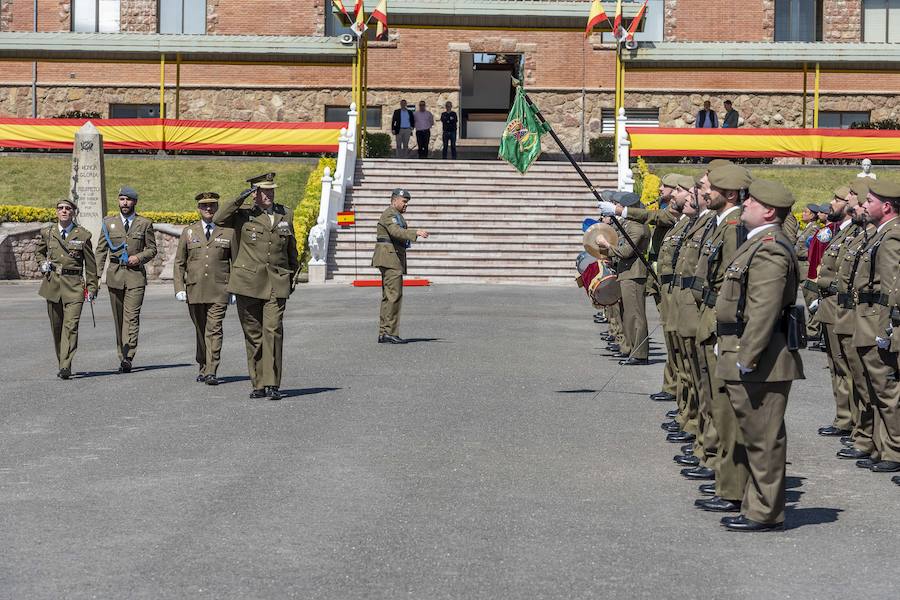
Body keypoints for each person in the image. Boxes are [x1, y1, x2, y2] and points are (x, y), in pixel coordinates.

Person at [714, 178, 805, 531]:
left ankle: (765, 512)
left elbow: (763, 310)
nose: (744, 205)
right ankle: (755, 505)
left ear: (769, 211)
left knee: (763, 438)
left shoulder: (771, 248)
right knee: (754, 437)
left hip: (762, 361)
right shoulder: (759, 243)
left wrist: (746, 357)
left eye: (751, 202)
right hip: (751, 356)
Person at [691, 163, 752, 514]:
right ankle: (722, 476)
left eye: (711, 188)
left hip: (719, 322)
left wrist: (724, 328)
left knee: (726, 410)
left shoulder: (732, 227)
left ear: (729, 193)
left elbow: (733, 283)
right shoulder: (720, 224)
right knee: (714, 402)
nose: (705, 191)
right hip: (708, 318)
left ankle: (730, 485)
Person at [213, 173, 299, 400]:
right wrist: (241, 198)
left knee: (273, 330)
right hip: (248, 283)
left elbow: (291, 249)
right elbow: (219, 218)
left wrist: (291, 276)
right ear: (254, 193)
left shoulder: (285, 214)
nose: (269, 194)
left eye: (271, 190)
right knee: (253, 334)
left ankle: (272, 384)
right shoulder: (242, 215)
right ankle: (258, 383)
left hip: (276, 282)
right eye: (263, 191)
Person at [845, 179, 900, 473]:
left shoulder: (891, 237)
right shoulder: (878, 235)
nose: (864, 205)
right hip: (865, 319)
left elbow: (890, 288)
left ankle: (893, 449)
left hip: (875, 321)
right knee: (874, 389)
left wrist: (884, 328)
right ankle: (881, 446)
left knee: (886, 390)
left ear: (887, 206)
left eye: (870, 202)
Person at [812, 185, 860, 439]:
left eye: (838, 199)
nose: (832, 203)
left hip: (841, 306)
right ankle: (844, 417)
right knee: (836, 366)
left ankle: (855, 422)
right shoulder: (841, 232)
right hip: (830, 305)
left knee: (848, 366)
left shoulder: (856, 233)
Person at [173, 192, 235, 386]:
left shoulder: (228, 232)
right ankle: (203, 364)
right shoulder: (188, 232)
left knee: (214, 329)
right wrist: (179, 287)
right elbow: (179, 262)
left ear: (217, 208)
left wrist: (234, 289)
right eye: (204, 206)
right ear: (198, 209)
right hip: (195, 290)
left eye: (212, 205)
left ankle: (212, 370)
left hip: (219, 290)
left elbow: (236, 262)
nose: (208, 209)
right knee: (200, 330)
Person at [95, 186, 158, 373]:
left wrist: (139, 257)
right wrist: (96, 276)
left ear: (135, 202)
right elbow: (100, 251)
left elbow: (152, 249)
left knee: (132, 317)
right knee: (119, 318)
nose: (124, 203)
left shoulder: (144, 223)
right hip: (115, 275)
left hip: (136, 276)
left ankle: (129, 356)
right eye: (122, 199)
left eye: (128, 200)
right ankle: (121, 355)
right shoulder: (109, 223)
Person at [36, 197, 99, 379]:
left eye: (68, 208)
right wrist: (42, 264)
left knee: (70, 326)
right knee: (57, 327)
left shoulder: (83, 235)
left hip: (74, 286)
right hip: (53, 283)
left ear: (73, 213)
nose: (64, 211)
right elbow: (39, 252)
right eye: (60, 208)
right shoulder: (48, 232)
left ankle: (65, 365)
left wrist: (92, 287)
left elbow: (91, 264)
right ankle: (63, 361)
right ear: (56, 212)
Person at [593, 192, 651, 365]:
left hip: (634, 273)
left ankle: (639, 352)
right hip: (626, 272)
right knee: (628, 314)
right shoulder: (630, 224)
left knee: (635, 315)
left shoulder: (636, 227)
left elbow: (626, 251)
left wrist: (606, 245)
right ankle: (632, 348)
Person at [371, 188, 429, 344]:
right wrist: (415, 232)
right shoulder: (390, 214)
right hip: (390, 259)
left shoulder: (395, 215)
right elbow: (396, 232)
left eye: (407, 202)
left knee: (388, 297)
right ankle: (390, 332)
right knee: (394, 296)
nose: (406, 205)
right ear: (394, 200)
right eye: (404, 201)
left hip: (390, 258)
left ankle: (384, 333)